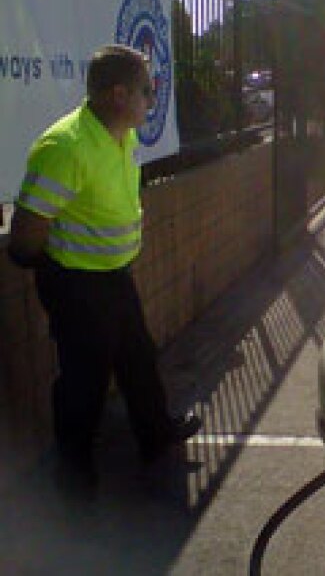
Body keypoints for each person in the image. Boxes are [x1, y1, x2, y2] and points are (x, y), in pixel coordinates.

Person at [8, 44, 201, 499]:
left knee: (138, 357)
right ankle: (74, 478)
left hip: (113, 275)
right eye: (146, 91)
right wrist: (56, 271)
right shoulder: (65, 147)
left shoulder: (120, 134)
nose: (152, 100)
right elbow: (25, 236)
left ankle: (155, 436)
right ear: (119, 94)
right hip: (76, 283)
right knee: (84, 379)